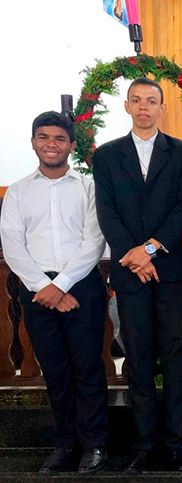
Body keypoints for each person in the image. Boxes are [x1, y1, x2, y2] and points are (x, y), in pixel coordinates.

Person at [92, 77, 182, 473]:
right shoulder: (107, 156)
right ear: (126, 106)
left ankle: (175, 442)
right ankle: (145, 443)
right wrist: (135, 256)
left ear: (162, 107)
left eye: (151, 101)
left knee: (174, 355)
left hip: (172, 271)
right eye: (136, 100)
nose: (143, 107)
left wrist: (150, 249)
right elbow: (107, 214)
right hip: (129, 271)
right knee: (137, 358)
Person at [0, 111, 109, 474]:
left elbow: (94, 240)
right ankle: (66, 444)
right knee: (55, 370)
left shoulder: (88, 188)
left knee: (88, 367)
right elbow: (12, 245)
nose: (51, 144)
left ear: (71, 145)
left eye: (60, 138)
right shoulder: (19, 192)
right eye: (44, 137)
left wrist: (60, 286)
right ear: (33, 142)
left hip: (83, 287)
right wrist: (45, 287)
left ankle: (95, 444)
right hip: (37, 291)